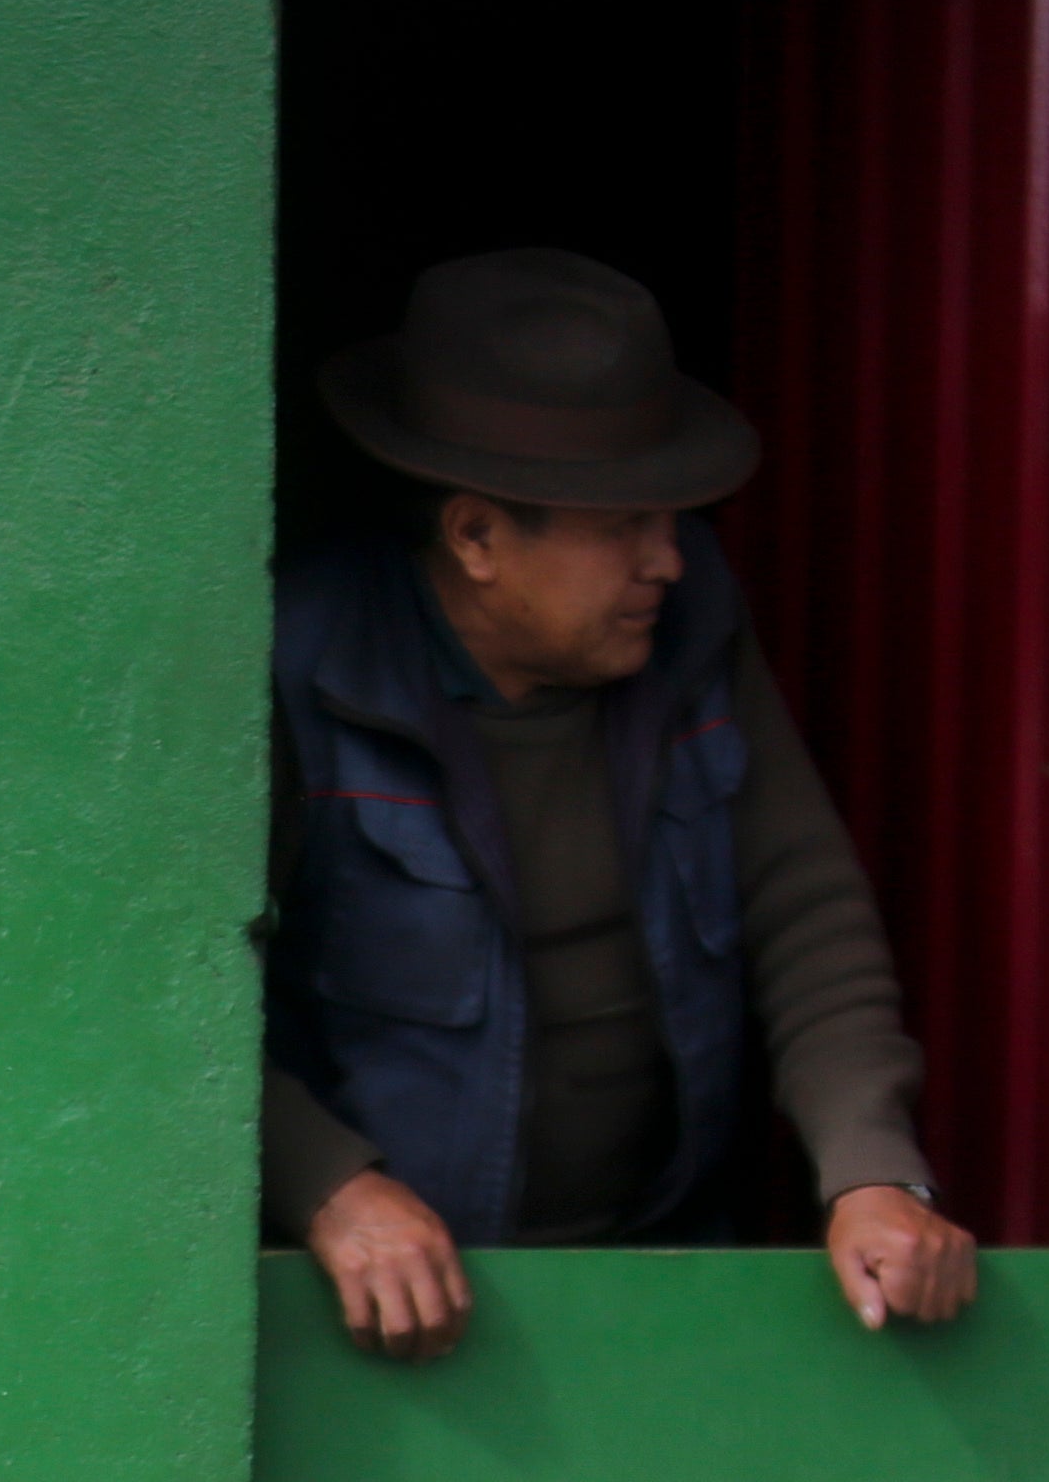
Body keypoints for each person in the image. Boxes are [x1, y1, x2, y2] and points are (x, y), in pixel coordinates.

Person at [271, 249, 981, 1360]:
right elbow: (181, 998)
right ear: (474, 537)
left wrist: (869, 1169)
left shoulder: (687, 637)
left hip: (656, 1270)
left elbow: (802, 905)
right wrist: (327, 1187)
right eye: (622, 526)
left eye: (669, 519)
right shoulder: (298, 665)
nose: (670, 561)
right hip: (376, 1311)